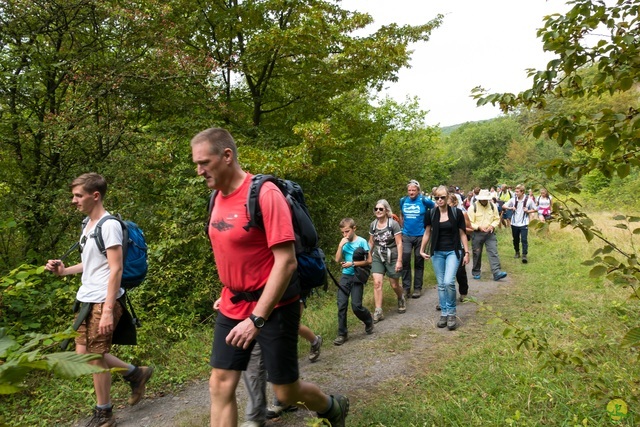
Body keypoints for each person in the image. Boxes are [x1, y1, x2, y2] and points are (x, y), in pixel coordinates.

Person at [191, 128, 348, 427]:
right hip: (233, 302)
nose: (199, 171)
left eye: (204, 163)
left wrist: (256, 319)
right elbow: (233, 250)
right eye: (196, 164)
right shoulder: (215, 199)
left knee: (285, 392)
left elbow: (286, 262)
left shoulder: (265, 194)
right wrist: (231, 286)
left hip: (275, 306)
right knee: (220, 383)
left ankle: (331, 407)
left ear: (227, 156)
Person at [45, 173, 153, 427]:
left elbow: (115, 269)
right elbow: (92, 264)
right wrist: (63, 270)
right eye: (74, 195)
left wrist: (107, 310)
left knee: (95, 355)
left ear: (95, 196)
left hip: (103, 300)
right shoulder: (87, 225)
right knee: (84, 355)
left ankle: (104, 413)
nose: (73, 200)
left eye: (78, 195)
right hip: (86, 298)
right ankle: (136, 373)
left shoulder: (109, 225)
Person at [419, 186, 469, 331]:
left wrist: (466, 252)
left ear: (447, 198)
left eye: (442, 197)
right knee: (441, 284)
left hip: (453, 251)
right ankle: (444, 313)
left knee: (449, 282)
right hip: (437, 252)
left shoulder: (457, 213)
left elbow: (462, 234)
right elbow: (427, 233)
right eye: (437, 198)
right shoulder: (431, 214)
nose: (439, 200)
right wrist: (422, 250)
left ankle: (452, 313)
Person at [334, 218, 374, 345]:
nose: (345, 234)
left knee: (356, 306)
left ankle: (368, 320)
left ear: (354, 229)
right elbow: (337, 259)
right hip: (345, 276)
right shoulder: (343, 243)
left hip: (358, 276)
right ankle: (342, 334)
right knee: (341, 304)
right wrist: (340, 245)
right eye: (343, 232)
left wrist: (353, 263)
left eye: (347, 231)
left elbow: (369, 261)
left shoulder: (362, 242)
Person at [368, 199, 406, 323]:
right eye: (376, 209)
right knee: (377, 283)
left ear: (386, 210)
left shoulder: (393, 224)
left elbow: (399, 243)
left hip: (392, 255)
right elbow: (371, 241)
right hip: (378, 256)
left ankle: (401, 297)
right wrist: (368, 255)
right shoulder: (373, 224)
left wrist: (399, 260)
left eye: (381, 209)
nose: (378, 211)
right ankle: (378, 310)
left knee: (394, 284)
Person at [399, 180, 435, 298]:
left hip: (421, 234)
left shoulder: (424, 200)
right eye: (409, 190)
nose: (411, 192)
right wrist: (401, 226)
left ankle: (417, 288)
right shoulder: (403, 200)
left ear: (418, 191)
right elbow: (401, 214)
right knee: (405, 258)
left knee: (419, 260)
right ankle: (406, 288)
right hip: (406, 234)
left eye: (413, 190)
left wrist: (430, 224)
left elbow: (435, 208)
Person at [467, 189, 507, 281]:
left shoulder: (493, 206)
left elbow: (497, 219)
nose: (484, 200)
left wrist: (492, 226)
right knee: (477, 252)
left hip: (490, 233)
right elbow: (469, 222)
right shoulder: (473, 207)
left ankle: (496, 272)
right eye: (483, 199)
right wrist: (478, 227)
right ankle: (476, 271)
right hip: (477, 233)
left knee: (493, 251)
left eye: (486, 199)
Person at [503, 184, 537, 264]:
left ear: (522, 192)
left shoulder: (529, 200)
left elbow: (536, 209)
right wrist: (510, 208)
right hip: (514, 223)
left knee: (524, 239)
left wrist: (528, 211)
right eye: (515, 192)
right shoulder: (513, 199)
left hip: (524, 223)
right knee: (515, 239)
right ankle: (517, 252)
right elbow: (504, 206)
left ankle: (524, 255)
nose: (516, 193)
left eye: (517, 192)